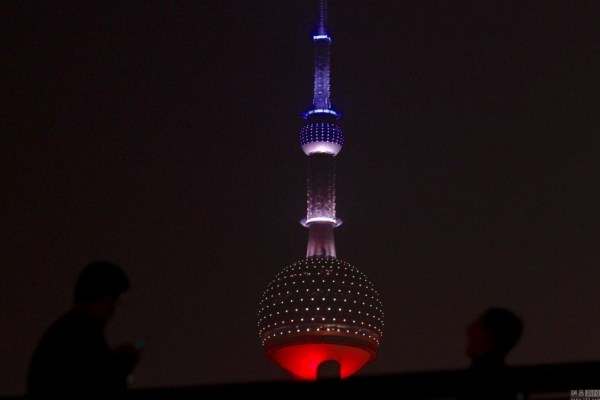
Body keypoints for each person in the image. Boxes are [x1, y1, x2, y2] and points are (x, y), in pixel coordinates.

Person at [26, 260, 142, 397]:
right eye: (116, 301)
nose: (114, 310)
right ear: (104, 298)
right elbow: (103, 384)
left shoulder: (64, 330)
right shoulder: (85, 332)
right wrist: (124, 361)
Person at [459, 307, 525, 400]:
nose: (469, 329)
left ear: (488, 333)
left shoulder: (479, 378)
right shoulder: (510, 380)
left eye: (477, 325)